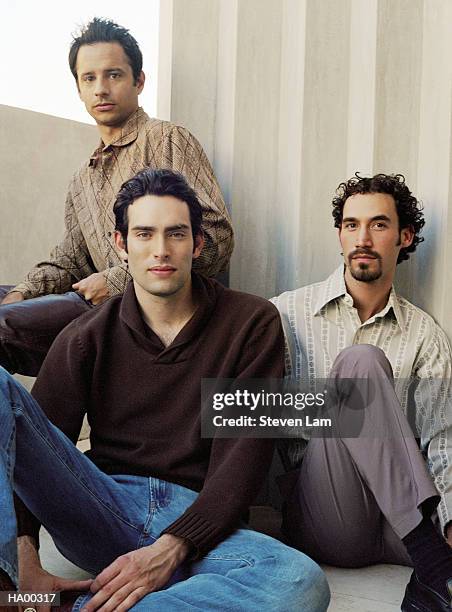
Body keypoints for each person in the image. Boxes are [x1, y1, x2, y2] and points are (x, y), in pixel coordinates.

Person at [0, 168, 329, 612]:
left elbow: (243, 459)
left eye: (176, 234)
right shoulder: (86, 336)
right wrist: (27, 568)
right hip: (104, 502)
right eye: (144, 234)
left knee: (300, 581)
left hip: (203, 520)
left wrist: (171, 548)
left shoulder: (250, 323)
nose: (161, 250)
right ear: (122, 245)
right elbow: (30, 455)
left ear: (197, 243)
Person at [0, 18, 233, 377]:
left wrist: (117, 280)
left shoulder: (165, 139)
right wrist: (23, 292)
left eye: (114, 75)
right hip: (96, 305)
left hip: (152, 311)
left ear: (139, 81)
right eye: (89, 78)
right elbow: (70, 260)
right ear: (78, 88)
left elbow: (216, 237)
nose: (101, 89)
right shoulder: (83, 177)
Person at [272, 173, 452, 611]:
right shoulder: (288, 312)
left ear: (404, 237)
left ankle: (436, 567)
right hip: (328, 514)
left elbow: (442, 437)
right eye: (351, 225)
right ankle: (434, 561)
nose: (363, 238)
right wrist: (343, 406)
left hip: (400, 523)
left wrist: (450, 524)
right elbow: (247, 411)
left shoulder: (424, 333)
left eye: (378, 225)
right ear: (339, 236)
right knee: (361, 362)